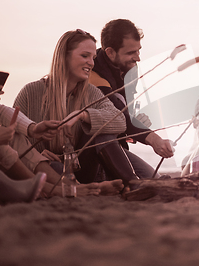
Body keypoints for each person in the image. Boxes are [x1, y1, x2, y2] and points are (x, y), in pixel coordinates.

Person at [13, 29, 135, 191]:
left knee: (102, 132)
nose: (91, 63)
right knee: (55, 168)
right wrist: (37, 157)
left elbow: (120, 121)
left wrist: (83, 115)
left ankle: (134, 185)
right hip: (47, 169)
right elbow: (13, 137)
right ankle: (94, 189)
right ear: (64, 57)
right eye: (85, 56)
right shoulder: (31, 92)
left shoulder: (91, 93)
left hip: (81, 168)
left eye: (93, 58)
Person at [88, 19, 174, 178]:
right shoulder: (94, 76)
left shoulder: (130, 69)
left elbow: (127, 112)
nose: (138, 58)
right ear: (110, 52)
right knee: (146, 182)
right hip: (94, 152)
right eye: (130, 53)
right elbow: (117, 114)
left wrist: (136, 122)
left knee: (155, 180)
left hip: (121, 147)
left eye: (138, 50)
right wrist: (153, 139)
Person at [0, 86, 101, 197]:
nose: (91, 67)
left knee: (15, 137)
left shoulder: (92, 91)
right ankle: (50, 189)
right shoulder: (30, 91)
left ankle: (73, 187)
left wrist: (33, 128)